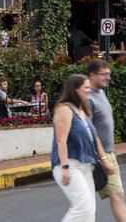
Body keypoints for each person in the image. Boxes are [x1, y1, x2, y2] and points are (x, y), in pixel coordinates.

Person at [51, 74, 116, 222]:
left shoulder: (83, 111)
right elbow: (61, 140)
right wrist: (65, 167)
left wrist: (105, 161)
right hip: (70, 165)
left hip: (86, 165)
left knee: (89, 212)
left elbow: (94, 138)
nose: (89, 91)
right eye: (86, 88)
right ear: (75, 90)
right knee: (83, 208)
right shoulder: (64, 110)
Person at [86, 59, 126, 222]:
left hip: (104, 153)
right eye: (105, 74)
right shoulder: (88, 98)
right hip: (96, 156)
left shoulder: (100, 93)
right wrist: (104, 159)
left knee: (83, 199)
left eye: (109, 74)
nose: (108, 78)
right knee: (115, 195)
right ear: (93, 75)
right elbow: (88, 131)